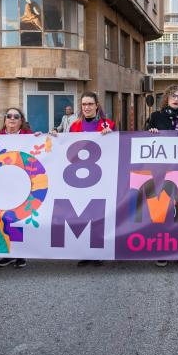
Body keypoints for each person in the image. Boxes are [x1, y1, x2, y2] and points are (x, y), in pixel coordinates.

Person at [147, 85, 178, 267]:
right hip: (161, 170)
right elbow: (145, 140)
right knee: (162, 211)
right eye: (172, 96)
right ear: (166, 98)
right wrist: (150, 133)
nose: (176, 99)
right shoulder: (156, 117)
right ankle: (162, 250)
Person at [69, 92, 114, 266]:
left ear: (97, 105)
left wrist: (110, 135)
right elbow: (67, 149)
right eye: (83, 104)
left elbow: (115, 148)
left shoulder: (107, 124)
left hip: (100, 177)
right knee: (81, 214)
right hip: (79, 177)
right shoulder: (75, 126)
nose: (86, 107)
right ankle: (85, 251)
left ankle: (98, 251)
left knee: (98, 214)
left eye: (90, 104)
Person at [0, 107, 32, 268]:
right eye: (9, 116)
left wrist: (41, 138)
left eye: (16, 116)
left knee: (19, 217)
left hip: (22, 182)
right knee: (3, 217)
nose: (12, 119)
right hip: (1, 183)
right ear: (4, 120)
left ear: (21, 121)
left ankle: (20, 254)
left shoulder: (29, 136)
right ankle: (7, 253)